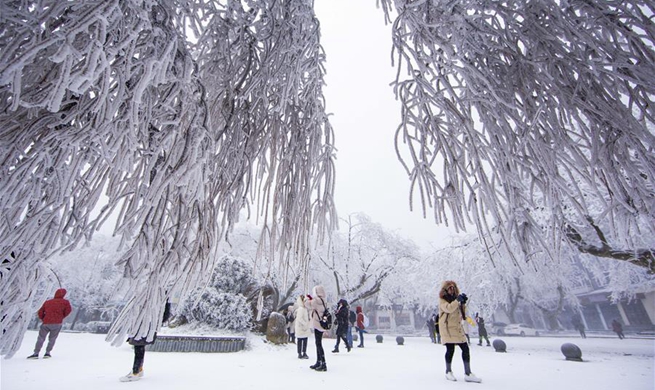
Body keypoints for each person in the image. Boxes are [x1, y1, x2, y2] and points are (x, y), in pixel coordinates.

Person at [439, 280, 481, 383]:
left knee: (465, 349)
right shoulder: (442, 300)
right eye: (449, 288)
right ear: (445, 289)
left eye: (453, 288)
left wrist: (462, 303)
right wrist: (457, 301)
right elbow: (448, 309)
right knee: (450, 350)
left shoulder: (455, 299)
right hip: (447, 328)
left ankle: (468, 373)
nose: (452, 290)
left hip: (457, 328)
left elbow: (462, 314)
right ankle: (448, 371)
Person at [120, 302, 172, 382]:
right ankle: (138, 370)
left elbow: (164, 313)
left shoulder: (157, 296)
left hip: (146, 323)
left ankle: (136, 372)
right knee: (139, 347)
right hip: (144, 322)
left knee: (139, 347)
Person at [27, 288, 72, 359]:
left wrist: (43, 318)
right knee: (52, 339)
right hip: (57, 323)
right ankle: (47, 353)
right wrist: (61, 316)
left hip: (46, 322)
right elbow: (68, 310)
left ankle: (36, 353)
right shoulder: (65, 302)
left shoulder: (48, 302)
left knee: (41, 338)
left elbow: (40, 312)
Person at [305, 285, 329, 371]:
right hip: (322, 324)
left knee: (318, 344)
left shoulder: (316, 301)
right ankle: (319, 361)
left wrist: (307, 298)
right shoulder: (323, 300)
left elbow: (307, 304)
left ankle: (322, 363)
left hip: (317, 324)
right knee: (318, 343)